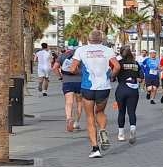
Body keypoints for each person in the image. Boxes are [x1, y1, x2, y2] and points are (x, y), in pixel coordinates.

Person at [72, 30, 119, 158]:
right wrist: (111, 76)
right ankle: (102, 130)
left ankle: (95, 148)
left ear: (89, 39)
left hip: (87, 87)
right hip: (103, 87)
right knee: (100, 112)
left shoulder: (81, 50)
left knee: (89, 116)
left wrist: (82, 73)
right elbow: (117, 66)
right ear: (101, 39)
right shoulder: (107, 50)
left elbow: (72, 68)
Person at [113, 47, 143, 144]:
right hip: (133, 90)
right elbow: (141, 77)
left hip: (121, 88)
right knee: (132, 112)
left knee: (121, 112)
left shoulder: (119, 63)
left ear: (121, 54)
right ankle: (132, 129)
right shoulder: (136, 63)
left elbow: (113, 77)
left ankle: (121, 134)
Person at [57, 46, 83, 132]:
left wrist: (60, 77)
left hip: (67, 81)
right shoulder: (81, 55)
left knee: (69, 102)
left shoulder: (62, 56)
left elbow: (54, 67)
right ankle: (76, 122)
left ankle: (69, 118)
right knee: (79, 102)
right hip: (80, 81)